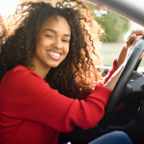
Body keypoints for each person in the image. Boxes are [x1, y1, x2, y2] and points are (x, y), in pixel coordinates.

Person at [0, 0, 144, 144]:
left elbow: (97, 95)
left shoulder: (49, 78)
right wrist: (124, 66)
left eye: (65, 40)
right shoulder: (21, 80)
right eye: (49, 36)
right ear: (32, 37)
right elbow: (86, 115)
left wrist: (124, 55)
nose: (58, 45)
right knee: (120, 139)